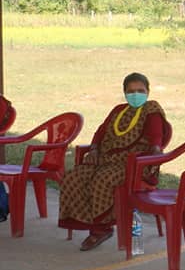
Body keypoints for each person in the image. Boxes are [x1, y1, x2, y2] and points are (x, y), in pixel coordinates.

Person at [58, 72, 170, 251]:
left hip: (133, 165)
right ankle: (86, 222)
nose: (135, 95)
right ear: (125, 93)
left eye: (140, 90)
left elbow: (156, 138)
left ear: (148, 92)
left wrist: (156, 152)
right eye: (131, 91)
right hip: (105, 159)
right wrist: (94, 150)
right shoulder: (119, 110)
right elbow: (100, 132)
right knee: (73, 177)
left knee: (103, 179)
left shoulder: (151, 110)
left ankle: (101, 229)